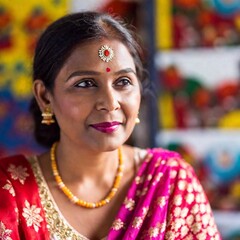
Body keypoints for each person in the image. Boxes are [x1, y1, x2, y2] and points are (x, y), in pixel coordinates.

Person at [0, 11, 221, 240]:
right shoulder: (9, 190)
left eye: (123, 82)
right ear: (45, 97)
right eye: (85, 83)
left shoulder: (171, 182)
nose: (110, 103)